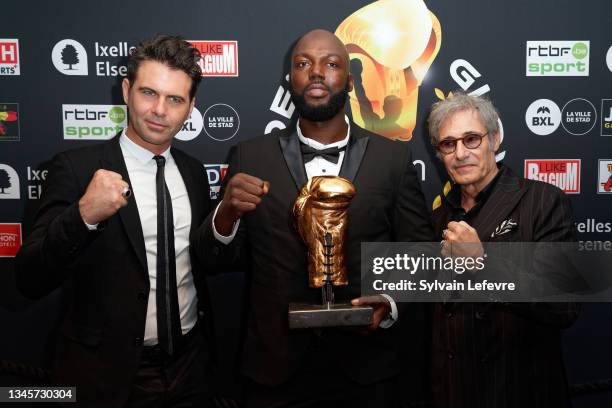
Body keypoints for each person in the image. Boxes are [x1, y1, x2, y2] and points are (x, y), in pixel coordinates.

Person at [193, 29, 434, 407]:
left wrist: (390, 300)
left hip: (367, 370)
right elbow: (214, 260)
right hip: (274, 370)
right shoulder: (248, 157)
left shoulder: (393, 160)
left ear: (350, 81)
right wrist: (225, 213)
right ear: (291, 80)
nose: (316, 73)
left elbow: (420, 256)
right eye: (303, 64)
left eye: (331, 64)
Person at [15, 35, 213, 407]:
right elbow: (29, 278)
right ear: (126, 90)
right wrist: (82, 216)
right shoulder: (75, 169)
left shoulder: (195, 173)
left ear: (190, 107)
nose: (159, 110)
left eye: (174, 99)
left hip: (189, 367)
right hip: (105, 375)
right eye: (148, 93)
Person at [427, 92, 579, 408]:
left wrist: (484, 264)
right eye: (448, 144)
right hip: (453, 393)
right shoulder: (435, 219)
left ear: (494, 140)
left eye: (471, 139)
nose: (460, 153)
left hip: (518, 392)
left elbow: (564, 304)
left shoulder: (541, 201)